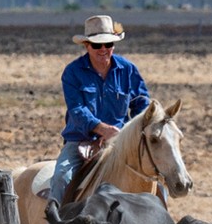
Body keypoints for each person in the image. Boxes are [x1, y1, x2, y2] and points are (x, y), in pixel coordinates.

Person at [47, 13, 150, 210]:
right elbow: (77, 110)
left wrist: (136, 129)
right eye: (97, 45)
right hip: (81, 141)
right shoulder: (73, 72)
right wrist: (102, 129)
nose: (103, 49)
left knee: (155, 175)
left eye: (108, 44)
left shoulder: (128, 70)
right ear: (86, 46)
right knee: (61, 176)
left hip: (122, 140)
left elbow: (141, 103)